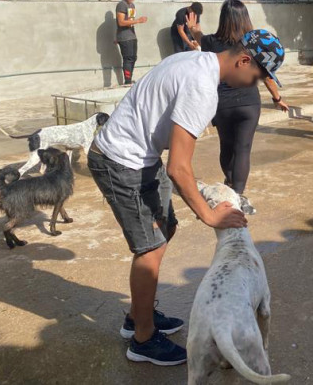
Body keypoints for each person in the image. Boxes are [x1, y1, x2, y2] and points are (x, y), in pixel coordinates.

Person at [87, 28, 285, 367]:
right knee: (149, 249)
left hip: (144, 158)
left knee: (165, 229)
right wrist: (211, 216)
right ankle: (143, 340)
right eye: (257, 76)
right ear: (243, 60)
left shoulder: (197, 60)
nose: (254, 84)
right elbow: (180, 168)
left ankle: (140, 314)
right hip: (121, 161)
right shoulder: (202, 88)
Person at [186, 0, 289, 194]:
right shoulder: (252, 43)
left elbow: (199, 37)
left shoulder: (211, 42)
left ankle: (230, 183)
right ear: (245, 18)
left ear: (223, 18)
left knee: (226, 146)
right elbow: (266, 76)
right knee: (243, 149)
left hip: (222, 103)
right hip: (249, 104)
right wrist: (277, 98)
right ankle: (238, 194)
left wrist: (193, 29)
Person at [116, 0, 147, 85]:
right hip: (125, 38)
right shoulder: (122, 5)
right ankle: (127, 82)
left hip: (132, 36)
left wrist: (137, 21)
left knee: (133, 58)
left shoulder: (132, 5)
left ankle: (129, 80)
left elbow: (130, 21)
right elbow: (121, 22)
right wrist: (138, 20)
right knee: (128, 59)